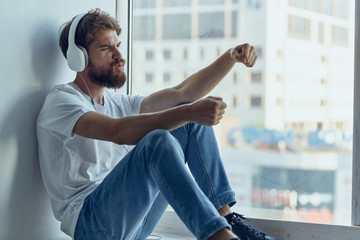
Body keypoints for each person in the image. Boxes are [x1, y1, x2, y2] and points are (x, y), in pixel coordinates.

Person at [37, 8, 278, 240]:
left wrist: (230, 57)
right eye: (106, 48)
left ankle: (226, 219)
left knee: (186, 121)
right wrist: (188, 111)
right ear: (78, 57)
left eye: (118, 46)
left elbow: (182, 93)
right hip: (92, 226)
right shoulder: (62, 102)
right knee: (159, 138)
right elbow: (117, 131)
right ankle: (217, 235)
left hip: (135, 224)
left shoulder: (116, 102)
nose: (119, 56)